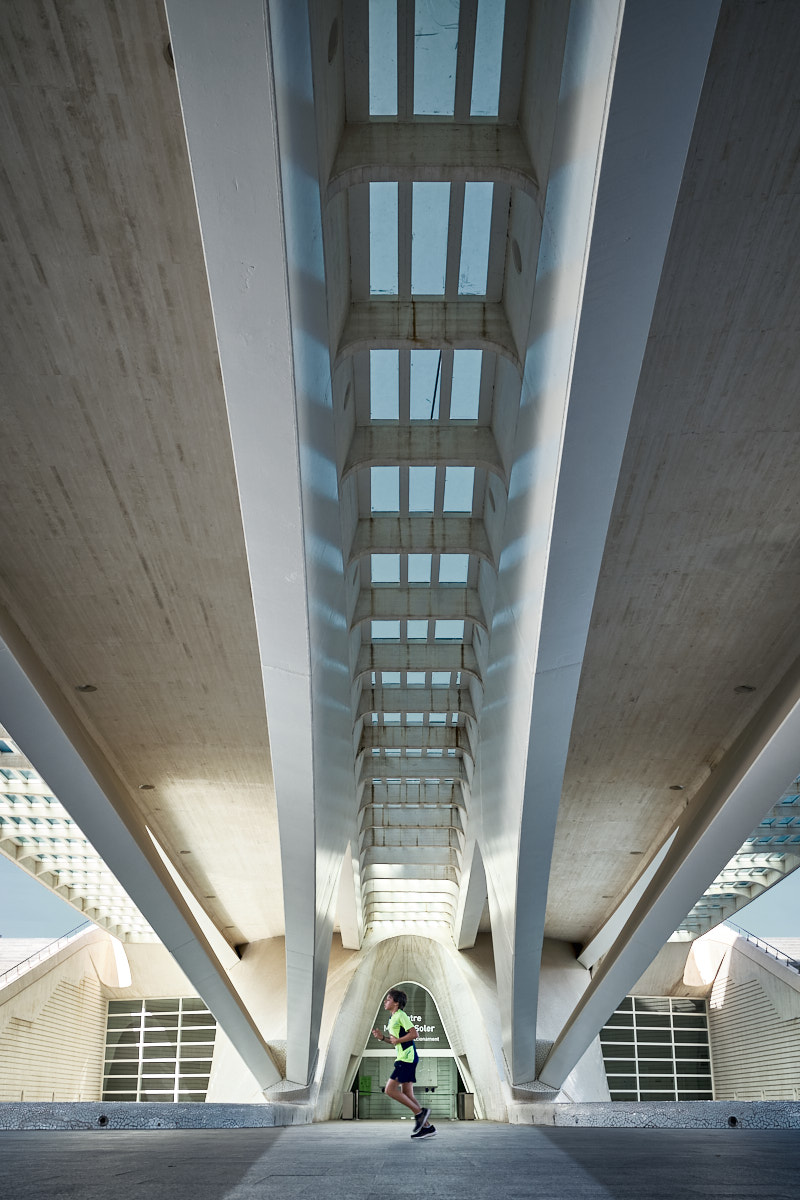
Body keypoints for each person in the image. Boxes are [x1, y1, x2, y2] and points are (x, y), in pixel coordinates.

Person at [372, 988, 436, 1139]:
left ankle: (421, 1113)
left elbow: (414, 1034)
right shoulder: (392, 1018)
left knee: (389, 1090)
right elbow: (395, 1042)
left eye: (388, 999)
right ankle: (427, 1128)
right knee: (407, 1094)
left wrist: (398, 1040)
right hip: (404, 1057)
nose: (385, 1002)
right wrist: (382, 1038)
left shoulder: (401, 1015)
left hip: (406, 1058)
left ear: (396, 1003)